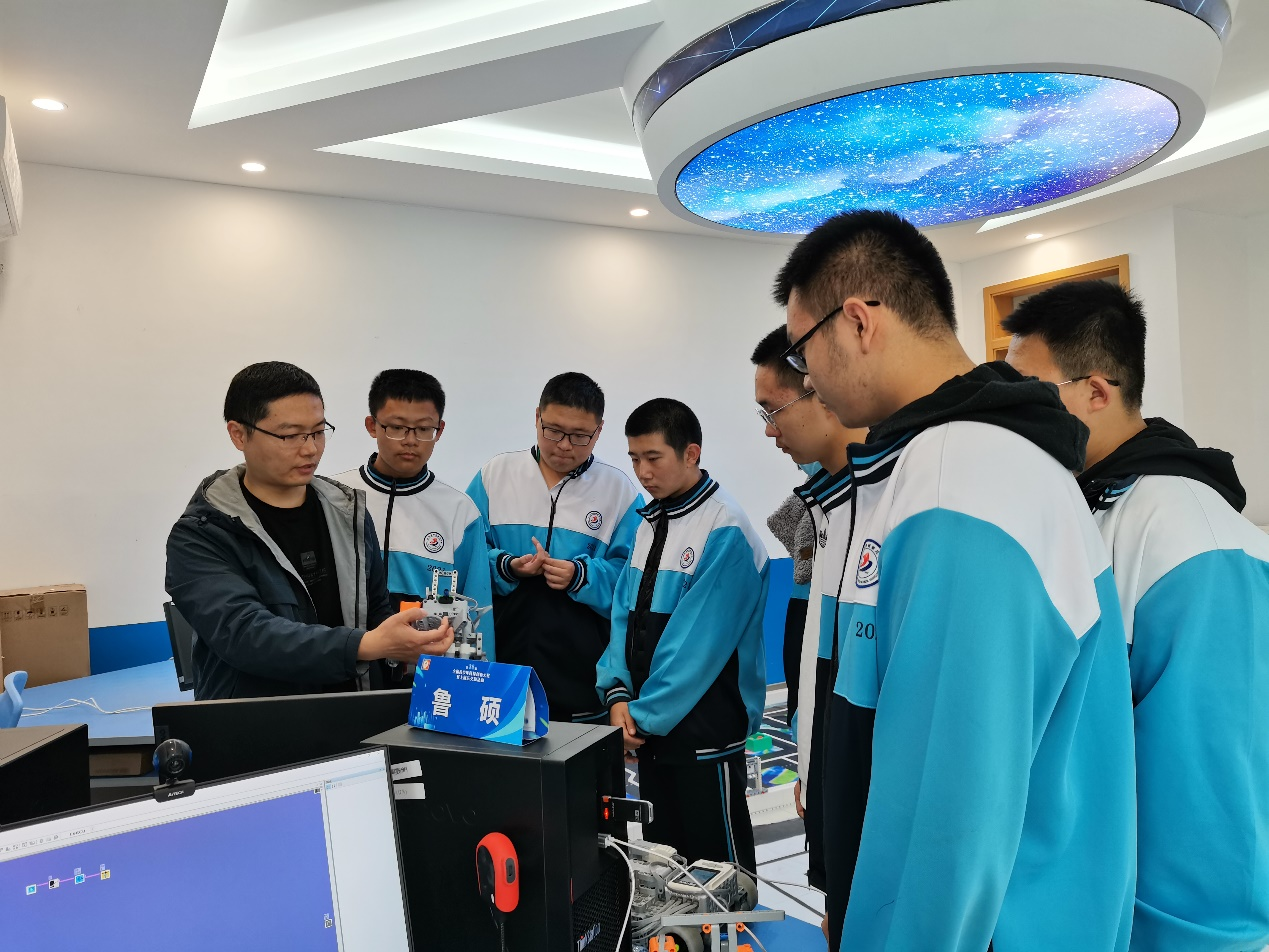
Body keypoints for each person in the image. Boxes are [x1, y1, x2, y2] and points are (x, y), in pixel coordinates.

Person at [777, 211, 1136, 951]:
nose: (804, 377)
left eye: (801, 348)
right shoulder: (955, 460)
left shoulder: (958, 475)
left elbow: (949, 815)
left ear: (858, 322)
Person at [1004, 281, 1269, 952]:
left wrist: (1190, 937)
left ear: (1096, 391)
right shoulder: (1084, 504)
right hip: (1080, 906)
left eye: (1030, 392)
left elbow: (1212, 785)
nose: (1011, 414)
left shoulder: (1188, 534)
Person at [166, 361, 453, 700]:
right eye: (289, 435)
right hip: (253, 720)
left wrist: (406, 643)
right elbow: (244, 634)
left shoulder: (349, 513)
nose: (310, 449)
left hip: (354, 709)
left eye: (318, 432)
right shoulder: (201, 534)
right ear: (238, 434)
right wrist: (367, 645)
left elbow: (374, 608)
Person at [597, 398, 768, 876]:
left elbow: (695, 648)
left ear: (691, 453)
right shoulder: (650, 523)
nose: (642, 472)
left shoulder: (725, 527)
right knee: (669, 871)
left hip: (704, 736)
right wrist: (617, 694)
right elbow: (622, 617)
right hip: (651, 732)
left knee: (721, 879)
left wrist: (640, 716)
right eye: (634, 458)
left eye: (653, 458)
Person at [751, 325, 866, 893]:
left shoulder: (888, 499)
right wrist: (809, 759)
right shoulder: (823, 504)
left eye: (773, 411)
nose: (769, 431)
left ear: (822, 388)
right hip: (827, 754)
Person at [467, 372, 642, 721]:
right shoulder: (495, 475)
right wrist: (507, 566)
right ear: (537, 417)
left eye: (580, 436)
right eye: (554, 431)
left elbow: (633, 581)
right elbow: (465, 560)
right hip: (502, 664)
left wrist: (582, 575)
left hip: (582, 675)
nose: (564, 445)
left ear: (599, 431)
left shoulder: (619, 491)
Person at [331, 369, 493, 673]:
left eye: (423, 429)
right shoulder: (335, 497)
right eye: (397, 427)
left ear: (440, 430)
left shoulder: (460, 511)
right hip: (343, 666)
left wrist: (475, 680)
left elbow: (475, 612)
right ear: (372, 425)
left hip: (424, 675)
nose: (410, 441)